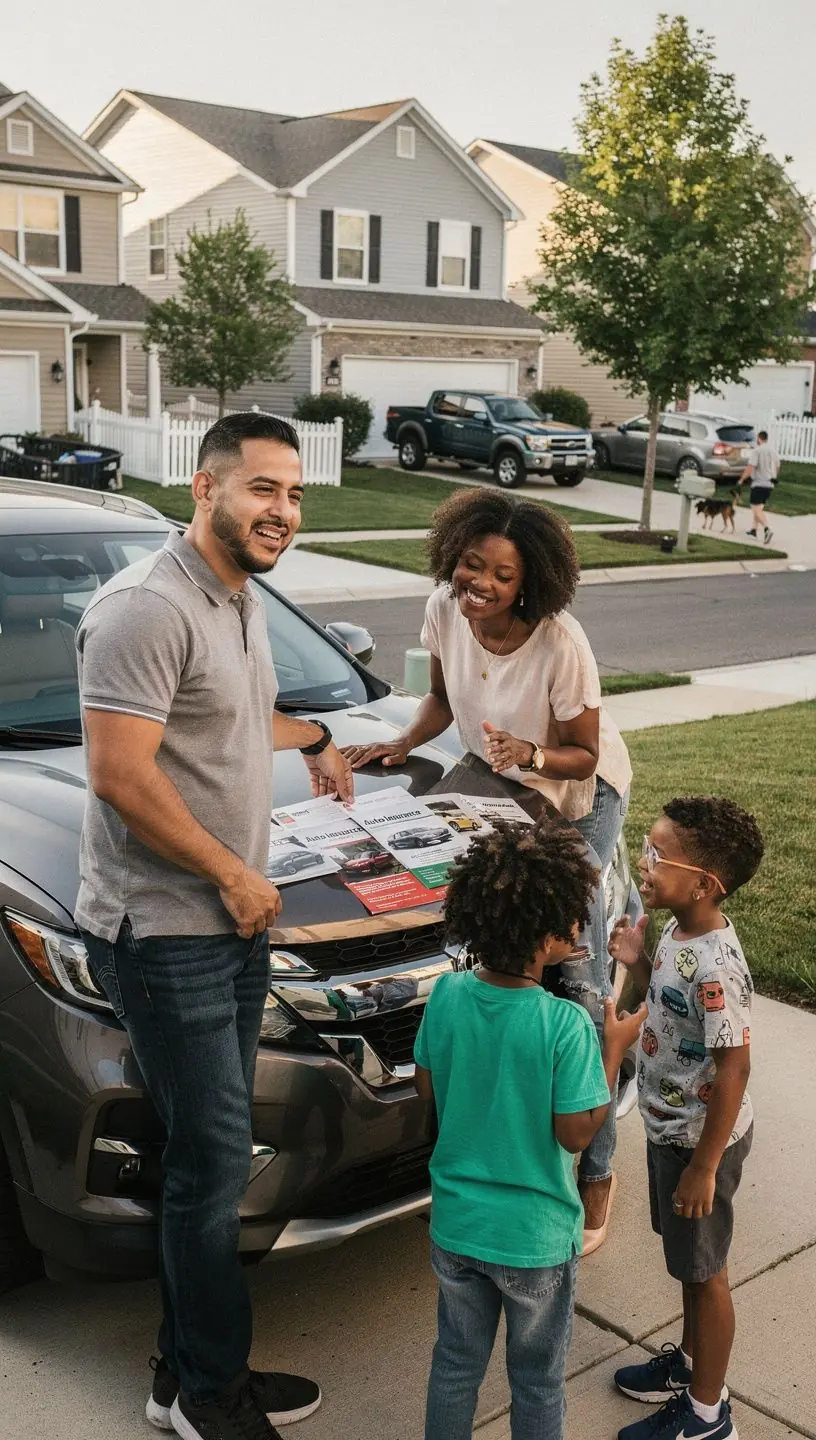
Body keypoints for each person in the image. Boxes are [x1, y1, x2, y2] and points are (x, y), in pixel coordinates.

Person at [75, 413, 354, 1440]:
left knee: (213, 1156)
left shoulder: (237, 596)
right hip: (167, 931)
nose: (283, 510)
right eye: (263, 488)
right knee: (212, 1162)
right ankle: (208, 1394)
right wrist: (234, 874)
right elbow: (119, 773)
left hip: (230, 920)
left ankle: (180, 1374)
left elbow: (230, 717)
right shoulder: (144, 609)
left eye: (295, 493)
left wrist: (315, 735)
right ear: (205, 488)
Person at [343, 488, 633, 1248]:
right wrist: (403, 743)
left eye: (502, 575)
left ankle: (596, 1168)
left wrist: (529, 752)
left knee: (574, 974)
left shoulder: (561, 641)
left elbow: (584, 755)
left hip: (575, 795)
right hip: (495, 780)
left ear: (530, 581)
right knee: (484, 944)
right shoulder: (446, 607)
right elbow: (444, 698)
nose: (481, 584)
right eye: (472, 564)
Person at [414, 820, 646, 1440]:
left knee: (455, 1363)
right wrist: (612, 1052)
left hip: (458, 1225)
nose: (579, 928)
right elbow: (575, 1135)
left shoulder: (446, 996)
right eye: (572, 917)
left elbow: (427, 1092)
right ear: (546, 937)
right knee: (537, 1381)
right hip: (534, 1239)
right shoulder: (564, 1025)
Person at [608, 796, 764, 1440]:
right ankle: (692, 1366)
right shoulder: (679, 931)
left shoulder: (718, 968)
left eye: (657, 854)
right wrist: (638, 961)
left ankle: (707, 1415)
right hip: (672, 1129)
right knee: (689, 1267)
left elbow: (735, 1070)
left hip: (701, 1141)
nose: (644, 863)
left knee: (706, 1276)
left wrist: (704, 1167)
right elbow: (668, 1003)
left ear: (703, 884)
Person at [738, 429, 778, 545]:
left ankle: (767, 529)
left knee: (755, 507)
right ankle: (753, 529)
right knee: (759, 507)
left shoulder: (757, 451)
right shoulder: (772, 450)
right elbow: (777, 465)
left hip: (759, 483)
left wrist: (741, 479)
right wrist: (774, 476)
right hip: (769, 484)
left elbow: (750, 467)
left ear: (759, 438)